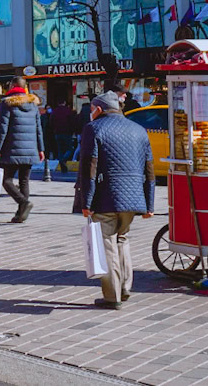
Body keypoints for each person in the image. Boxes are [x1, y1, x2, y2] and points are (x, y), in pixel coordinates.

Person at [79, 92, 155, 310]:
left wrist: (86, 202)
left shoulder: (94, 129)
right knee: (123, 239)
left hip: (106, 195)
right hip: (134, 197)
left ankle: (112, 296)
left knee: (108, 244)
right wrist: (149, 204)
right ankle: (125, 287)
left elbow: (89, 168)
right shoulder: (139, 130)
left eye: (91, 109)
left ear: (98, 109)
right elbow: (149, 169)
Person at [0, 77, 45, 223]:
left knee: (6, 180)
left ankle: (24, 203)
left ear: (12, 86)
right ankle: (20, 214)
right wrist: (41, 149)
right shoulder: (33, 104)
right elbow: (39, 129)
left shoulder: (7, 103)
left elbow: (2, 128)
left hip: (12, 149)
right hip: (30, 149)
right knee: (24, 181)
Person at [51, 99, 75, 168]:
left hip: (57, 133)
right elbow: (72, 121)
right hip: (67, 132)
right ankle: (63, 160)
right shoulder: (68, 111)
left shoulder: (54, 111)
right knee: (69, 149)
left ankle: (61, 162)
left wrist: (54, 129)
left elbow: (51, 122)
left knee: (60, 149)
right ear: (64, 102)